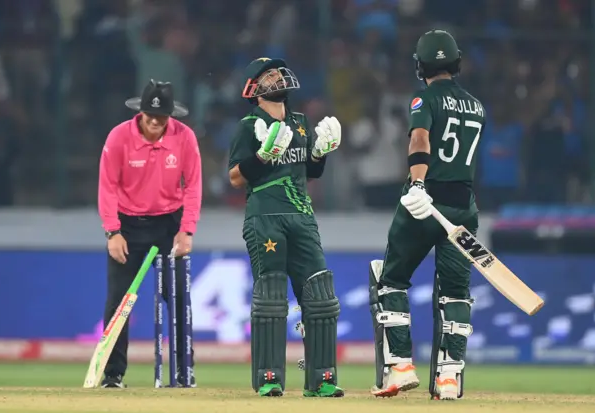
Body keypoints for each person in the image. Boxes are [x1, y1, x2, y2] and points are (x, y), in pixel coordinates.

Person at [368, 30, 486, 400]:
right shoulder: (477, 106)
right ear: (457, 62)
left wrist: (417, 184)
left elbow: (420, 139)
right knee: (455, 293)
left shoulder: (424, 98)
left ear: (421, 66)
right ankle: (449, 379)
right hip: (463, 206)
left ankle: (401, 367)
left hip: (426, 200)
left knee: (392, 280)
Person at [228, 57, 344, 398]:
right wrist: (262, 156)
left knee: (320, 297)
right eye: (269, 75)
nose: (278, 76)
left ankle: (321, 380)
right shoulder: (248, 125)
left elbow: (311, 172)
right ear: (255, 88)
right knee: (272, 298)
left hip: (302, 216)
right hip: (265, 216)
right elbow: (235, 178)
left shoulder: (300, 121)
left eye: (279, 72)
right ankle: (269, 378)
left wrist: (321, 153)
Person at [97, 79, 202, 388]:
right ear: (140, 112)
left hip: (169, 225)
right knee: (119, 301)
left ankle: (184, 371)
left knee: (179, 297)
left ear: (171, 114)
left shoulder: (184, 137)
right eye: (150, 116)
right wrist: (112, 232)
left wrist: (187, 231)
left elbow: (193, 186)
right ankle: (113, 374)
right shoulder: (118, 137)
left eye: (162, 117)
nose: (155, 123)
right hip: (127, 226)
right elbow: (107, 187)